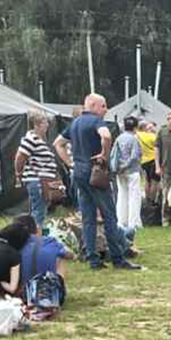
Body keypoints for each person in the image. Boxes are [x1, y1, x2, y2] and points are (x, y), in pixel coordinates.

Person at [55, 93, 137, 271]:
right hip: (95, 172)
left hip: (78, 172)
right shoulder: (96, 121)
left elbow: (58, 143)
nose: (106, 109)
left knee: (88, 218)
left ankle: (93, 259)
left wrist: (69, 163)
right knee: (109, 216)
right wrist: (104, 155)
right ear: (92, 105)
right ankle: (118, 259)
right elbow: (106, 136)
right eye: (103, 105)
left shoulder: (75, 123)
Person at [13, 110, 61, 224]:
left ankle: (34, 232)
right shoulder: (31, 139)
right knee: (39, 212)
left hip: (42, 181)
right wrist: (18, 172)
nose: (47, 125)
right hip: (38, 181)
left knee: (39, 210)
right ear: (36, 125)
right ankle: (36, 234)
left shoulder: (38, 140)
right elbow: (20, 157)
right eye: (45, 122)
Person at [111, 115, 145, 239]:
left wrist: (119, 167)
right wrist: (126, 165)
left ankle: (121, 221)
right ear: (135, 127)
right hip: (132, 171)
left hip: (120, 172)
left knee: (122, 195)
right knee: (134, 197)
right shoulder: (134, 139)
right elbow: (135, 156)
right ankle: (133, 222)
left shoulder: (119, 138)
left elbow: (113, 154)